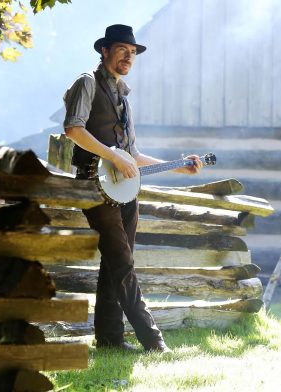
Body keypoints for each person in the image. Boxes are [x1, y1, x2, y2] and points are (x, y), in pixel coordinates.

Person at [63, 24, 202, 352]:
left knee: (115, 263)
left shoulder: (124, 96)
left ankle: (109, 340)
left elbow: (133, 156)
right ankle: (154, 343)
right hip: (92, 185)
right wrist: (112, 155)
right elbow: (73, 129)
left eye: (133, 52)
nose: (129, 56)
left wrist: (177, 165)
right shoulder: (86, 82)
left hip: (123, 189)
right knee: (122, 262)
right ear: (105, 50)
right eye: (123, 49)